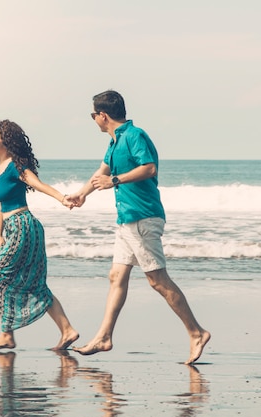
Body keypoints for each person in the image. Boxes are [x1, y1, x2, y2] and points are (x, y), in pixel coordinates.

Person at [66, 90, 210, 364]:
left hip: (143, 218)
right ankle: (104, 337)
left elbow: (149, 168)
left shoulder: (134, 135)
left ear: (102, 115)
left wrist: (116, 181)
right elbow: (102, 172)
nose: (93, 119)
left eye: (93, 115)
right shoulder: (114, 142)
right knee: (116, 277)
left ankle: (196, 332)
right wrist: (82, 194)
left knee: (157, 280)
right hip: (126, 220)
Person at [0, 119, 80, 351]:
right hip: (13, 228)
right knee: (34, 283)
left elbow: (39, 184)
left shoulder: (16, 167)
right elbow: (0, 202)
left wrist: (62, 198)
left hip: (23, 226)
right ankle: (68, 330)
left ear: (6, 141)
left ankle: (6, 334)